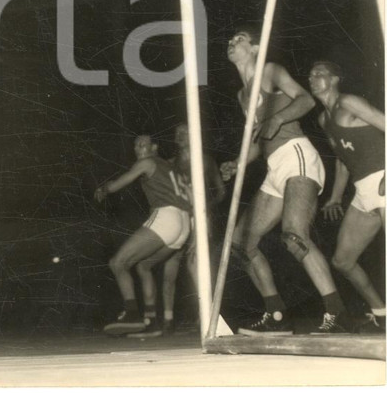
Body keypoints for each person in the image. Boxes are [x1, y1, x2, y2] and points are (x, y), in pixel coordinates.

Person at [220, 26, 346, 335]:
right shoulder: (242, 95)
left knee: (294, 235)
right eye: (230, 40)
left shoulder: (271, 71)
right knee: (240, 243)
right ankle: (276, 315)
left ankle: (337, 312)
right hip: (275, 168)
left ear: (255, 47)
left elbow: (305, 100)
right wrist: (237, 163)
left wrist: (276, 118)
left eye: (239, 39)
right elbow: (258, 141)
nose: (232, 43)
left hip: (297, 157)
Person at [309, 60, 386, 330]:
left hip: (383, 177)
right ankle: (382, 313)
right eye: (310, 75)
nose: (313, 77)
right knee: (343, 260)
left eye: (320, 73)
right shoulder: (323, 119)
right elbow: (342, 161)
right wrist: (334, 197)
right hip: (363, 190)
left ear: (336, 78)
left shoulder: (349, 102)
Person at [95, 134, 191, 338]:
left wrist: (104, 188)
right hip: (184, 225)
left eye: (143, 144)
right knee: (143, 266)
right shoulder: (173, 168)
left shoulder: (147, 162)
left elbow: (119, 184)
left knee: (117, 263)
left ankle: (132, 314)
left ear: (154, 147)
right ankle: (152, 321)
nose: (138, 149)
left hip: (167, 217)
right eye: (136, 146)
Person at [161, 122, 227, 334]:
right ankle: (168, 319)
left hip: (200, 217)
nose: (180, 136)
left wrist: (205, 207)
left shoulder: (205, 160)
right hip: (179, 217)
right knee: (170, 263)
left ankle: (206, 314)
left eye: (185, 132)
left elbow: (221, 192)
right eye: (177, 133)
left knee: (195, 263)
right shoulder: (170, 164)